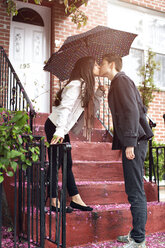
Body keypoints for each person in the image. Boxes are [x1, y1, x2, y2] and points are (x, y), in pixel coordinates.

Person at [99, 54, 153, 248]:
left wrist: (129, 142)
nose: (99, 66)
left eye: (102, 63)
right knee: (133, 189)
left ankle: (139, 240)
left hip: (135, 142)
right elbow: (136, 108)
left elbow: (132, 111)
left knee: (135, 191)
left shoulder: (121, 80)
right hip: (135, 140)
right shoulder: (118, 83)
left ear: (111, 64)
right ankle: (136, 233)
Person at [44, 56, 105, 212]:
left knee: (67, 163)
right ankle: (53, 200)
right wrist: (59, 131)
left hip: (61, 129)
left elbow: (88, 111)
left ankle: (75, 199)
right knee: (56, 163)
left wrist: (98, 94)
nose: (98, 66)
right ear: (88, 67)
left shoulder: (84, 86)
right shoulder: (76, 85)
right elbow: (65, 109)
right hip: (56, 127)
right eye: (96, 65)